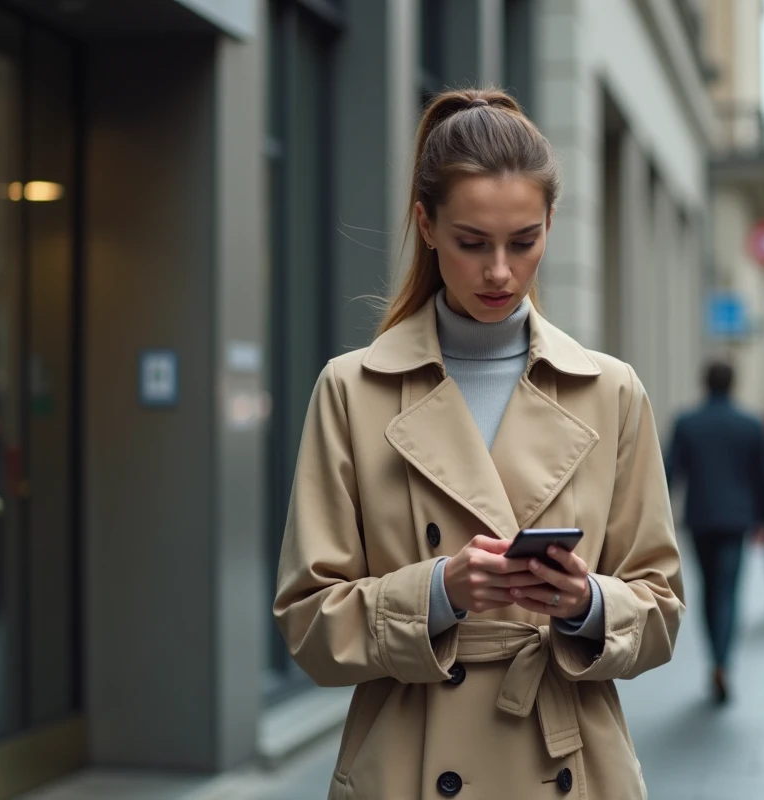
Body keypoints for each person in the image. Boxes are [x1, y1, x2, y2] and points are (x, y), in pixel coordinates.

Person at [274, 88, 685, 799]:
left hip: (567, 757)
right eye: (472, 243)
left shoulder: (611, 391)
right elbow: (308, 622)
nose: (499, 271)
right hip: (410, 758)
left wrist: (585, 602)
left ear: (551, 224)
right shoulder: (352, 389)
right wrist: (440, 592)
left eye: (523, 241)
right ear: (426, 225)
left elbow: (662, 609)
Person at [665, 362, 764, 704]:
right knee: (728, 590)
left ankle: (715, 658)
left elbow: (668, 473)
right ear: (733, 384)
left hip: (701, 518)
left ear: (704, 383)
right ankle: (723, 662)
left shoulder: (688, 423)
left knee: (710, 589)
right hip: (736, 520)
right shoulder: (750, 425)